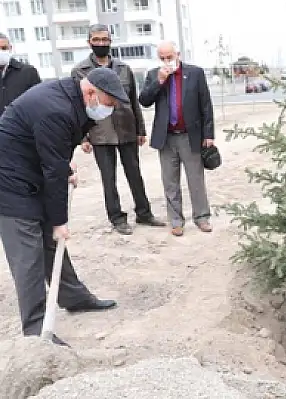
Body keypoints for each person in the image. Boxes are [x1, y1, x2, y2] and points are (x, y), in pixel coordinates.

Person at [0, 68, 124, 346]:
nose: (111, 109)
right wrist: (59, 221)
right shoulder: (56, 108)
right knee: (28, 256)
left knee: (52, 245)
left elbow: (53, 150)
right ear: (91, 93)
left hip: (28, 171)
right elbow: (53, 170)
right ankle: (35, 332)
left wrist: (63, 164)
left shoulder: (70, 99)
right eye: (109, 103)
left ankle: (73, 297)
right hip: (8, 183)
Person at [71, 24, 165, 235]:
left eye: (105, 39)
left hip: (126, 129)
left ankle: (144, 212)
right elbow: (79, 105)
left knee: (135, 173)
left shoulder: (124, 69)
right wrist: (83, 137)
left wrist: (140, 129)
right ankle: (116, 217)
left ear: (110, 41)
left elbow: (133, 101)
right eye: (97, 40)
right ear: (89, 42)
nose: (101, 43)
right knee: (108, 178)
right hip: (99, 132)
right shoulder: (80, 71)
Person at [139, 40, 214, 237]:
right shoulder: (154, 74)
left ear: (177, 54)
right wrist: (160, 81)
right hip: (166, 137)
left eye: (169, 57)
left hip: (190, 135)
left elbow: (206, 104)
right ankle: (176, 221)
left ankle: (202, 217)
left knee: (195, 179)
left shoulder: (195, 73)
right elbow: (144, 100)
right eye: (162, 58)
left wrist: (209, 134)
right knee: (170, 182)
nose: (166, 61)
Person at [0, 32, 42, 117]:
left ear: (10, 48)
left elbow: (40, 102)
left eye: (4, 48)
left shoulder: (28, 72)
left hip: (22, 127)